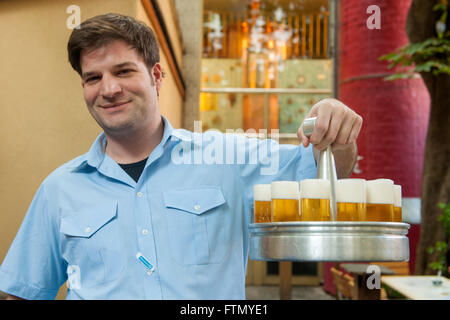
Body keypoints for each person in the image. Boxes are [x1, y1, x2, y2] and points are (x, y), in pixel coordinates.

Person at [0, 13, 362, 300]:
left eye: (124, 71)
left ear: (156, 76)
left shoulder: (228, 159)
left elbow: (322, 171)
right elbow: (21, 292)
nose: (108, 89)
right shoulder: (58, 190)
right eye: (93, 78)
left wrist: (333, 127)